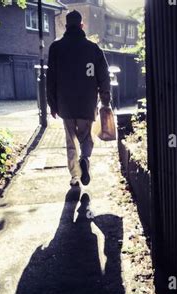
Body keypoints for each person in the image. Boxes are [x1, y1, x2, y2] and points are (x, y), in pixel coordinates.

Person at [46, 9, 111, 187]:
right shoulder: (93, 48)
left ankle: (75, 176)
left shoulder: (56, 48)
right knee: (85, 136)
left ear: (66, 26)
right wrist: (105, 99)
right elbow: (103, 75)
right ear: (82, 26)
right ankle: (86, 159)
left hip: (65, 103)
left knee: (70, 140)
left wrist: (52, 104)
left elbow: (50, 77)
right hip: (87, 102)